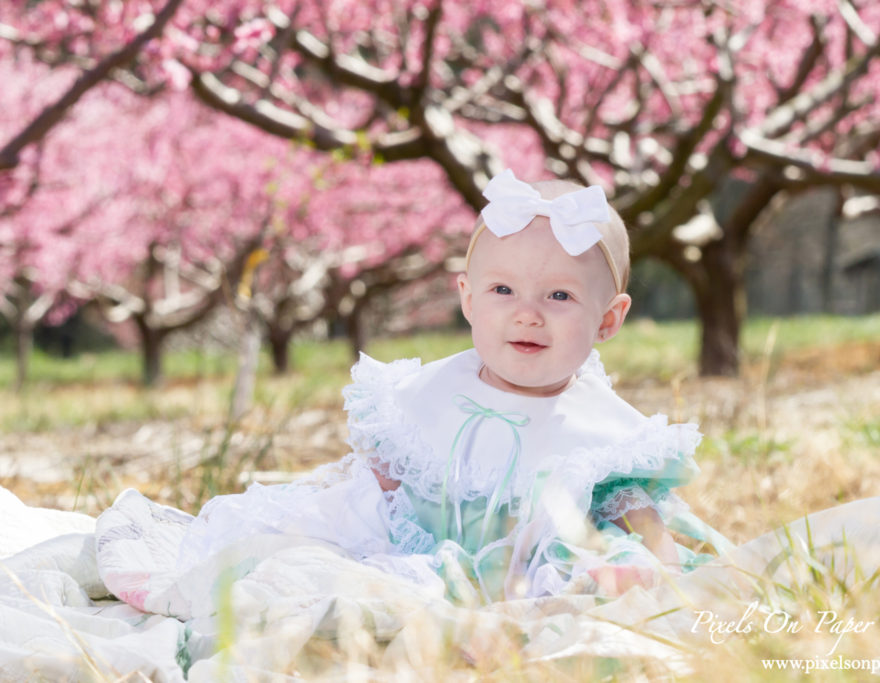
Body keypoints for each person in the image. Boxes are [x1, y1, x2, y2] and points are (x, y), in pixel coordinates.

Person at [175, 169, 732, 604]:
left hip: (532, 564)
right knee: (311, 557)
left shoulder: (597, 421)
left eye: (559, 297)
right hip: (420, 552)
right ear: (468, 298)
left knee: (601, 575)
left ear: (608, 320)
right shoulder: (429, 390)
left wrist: (668, 572)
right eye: (502, 290)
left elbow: (630, 508)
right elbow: (379, 484)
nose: (528, 315)